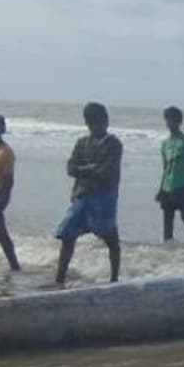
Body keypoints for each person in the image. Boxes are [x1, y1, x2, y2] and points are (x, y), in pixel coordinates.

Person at [55, 102, 123, 286]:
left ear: (106, 121)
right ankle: (59, 278)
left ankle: (114, 278)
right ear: (87, 123)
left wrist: (83, 169)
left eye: (101, 121)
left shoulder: (113, 143)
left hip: (104, 197)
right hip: (82, 196)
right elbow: (70, 168)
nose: (98, 126)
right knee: (68, 235)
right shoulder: (81, 143)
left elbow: (106, 170)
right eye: (94, 122)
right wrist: (90, 168)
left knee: (111, 239)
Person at [156, 106, 184, 245]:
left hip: (183, 185)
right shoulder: (165, 144)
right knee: (167, 220)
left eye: (173, 120)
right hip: (167, 186)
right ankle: (168, 249)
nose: (170, 123)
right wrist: (160, 189)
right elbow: (165, 168)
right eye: (168, 120)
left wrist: (182, 163)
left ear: (179, 122)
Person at [0, 115, 19, 271]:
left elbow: (8, 181)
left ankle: (15, 266)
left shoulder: (6, 152)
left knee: (2, 235)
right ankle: (15, 267)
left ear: (3, 129)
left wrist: (3, 201)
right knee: (2, 235)